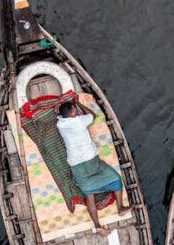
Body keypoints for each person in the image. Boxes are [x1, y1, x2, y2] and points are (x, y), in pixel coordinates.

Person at [56, 99, 130, 236]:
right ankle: (120, 207)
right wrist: (79, 103)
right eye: (74, 110)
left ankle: (97, 226)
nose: (76, 111)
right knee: (115, 179)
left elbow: (66, 116)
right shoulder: (79, 121)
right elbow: (92, 115)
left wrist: (72, 110)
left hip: (76, 165)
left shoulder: (60, 124)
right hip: (92, 161)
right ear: (73, 112)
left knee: (89, 196)